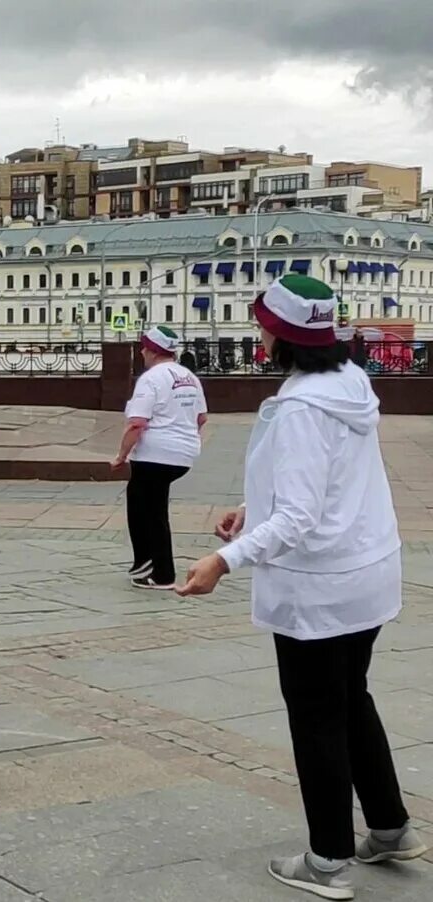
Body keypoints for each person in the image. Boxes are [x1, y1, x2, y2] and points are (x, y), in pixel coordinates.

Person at [178, 274, 426, 900]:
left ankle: (327, 860)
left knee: (317, 716)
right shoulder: (349, 383)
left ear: (280, 334)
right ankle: (391, 828)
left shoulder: (298, 408)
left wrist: (223, 559)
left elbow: (299, 516)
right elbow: (317, 484)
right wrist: (248, 506)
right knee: (352, 698)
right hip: (367, 571)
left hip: (320, 585)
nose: (258, 331)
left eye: (263, 323)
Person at [112, 325, 207, 590]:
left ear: (152, 350)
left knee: (147, 511)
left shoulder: (152, 378)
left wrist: (121, 455)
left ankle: (160, 572)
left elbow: (137, 423)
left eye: (144, 346)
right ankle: (145, 564)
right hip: (184, 454)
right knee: (149, 504)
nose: (141, 351)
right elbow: (201, 417)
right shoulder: (188, 376)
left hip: (155, 455)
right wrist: (185, 440)